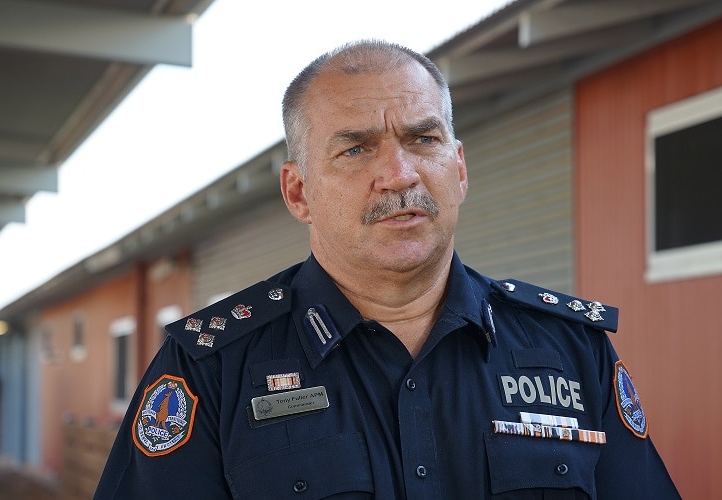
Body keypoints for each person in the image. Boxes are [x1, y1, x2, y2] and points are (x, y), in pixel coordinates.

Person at [95, 40, 679, 499]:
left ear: (459, 168)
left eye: (423, 138)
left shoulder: (572, 351)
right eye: (356, 149)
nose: (399, 174)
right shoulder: (212, 370)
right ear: (299, 193)